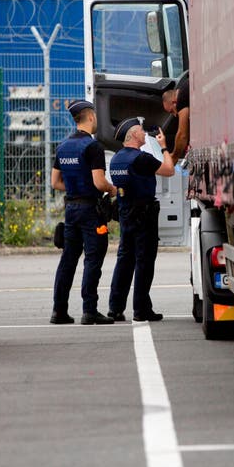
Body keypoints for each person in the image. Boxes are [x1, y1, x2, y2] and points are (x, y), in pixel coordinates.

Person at [50, 99, 117, 325]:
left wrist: (75, 187)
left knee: (68, 260)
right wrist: (113, 189)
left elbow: (55, 182)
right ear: (90, 117)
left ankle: (59, 311)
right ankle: (89, 310)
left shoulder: (63, 146)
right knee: (93, 259)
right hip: (90, 210)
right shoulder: (93, 146)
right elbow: (99, 182)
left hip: (71, 209)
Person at [107, 117, 175, 322]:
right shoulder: (141, 158)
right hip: (144, 216)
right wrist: (164, 147)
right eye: (142, 130)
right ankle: (141, 309)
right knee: (144, 262)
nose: (145, 133)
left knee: (124, 260)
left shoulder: (117, 158)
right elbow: (169, 170)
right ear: (133, 134)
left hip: (125, 214)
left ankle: (115, 308)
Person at [161, 75, 189, 163]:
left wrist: (174, 156)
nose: (175, 115)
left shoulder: (181, 99)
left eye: (172, 111)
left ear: (174, 103)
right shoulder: (185, 87)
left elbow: (182, 134)